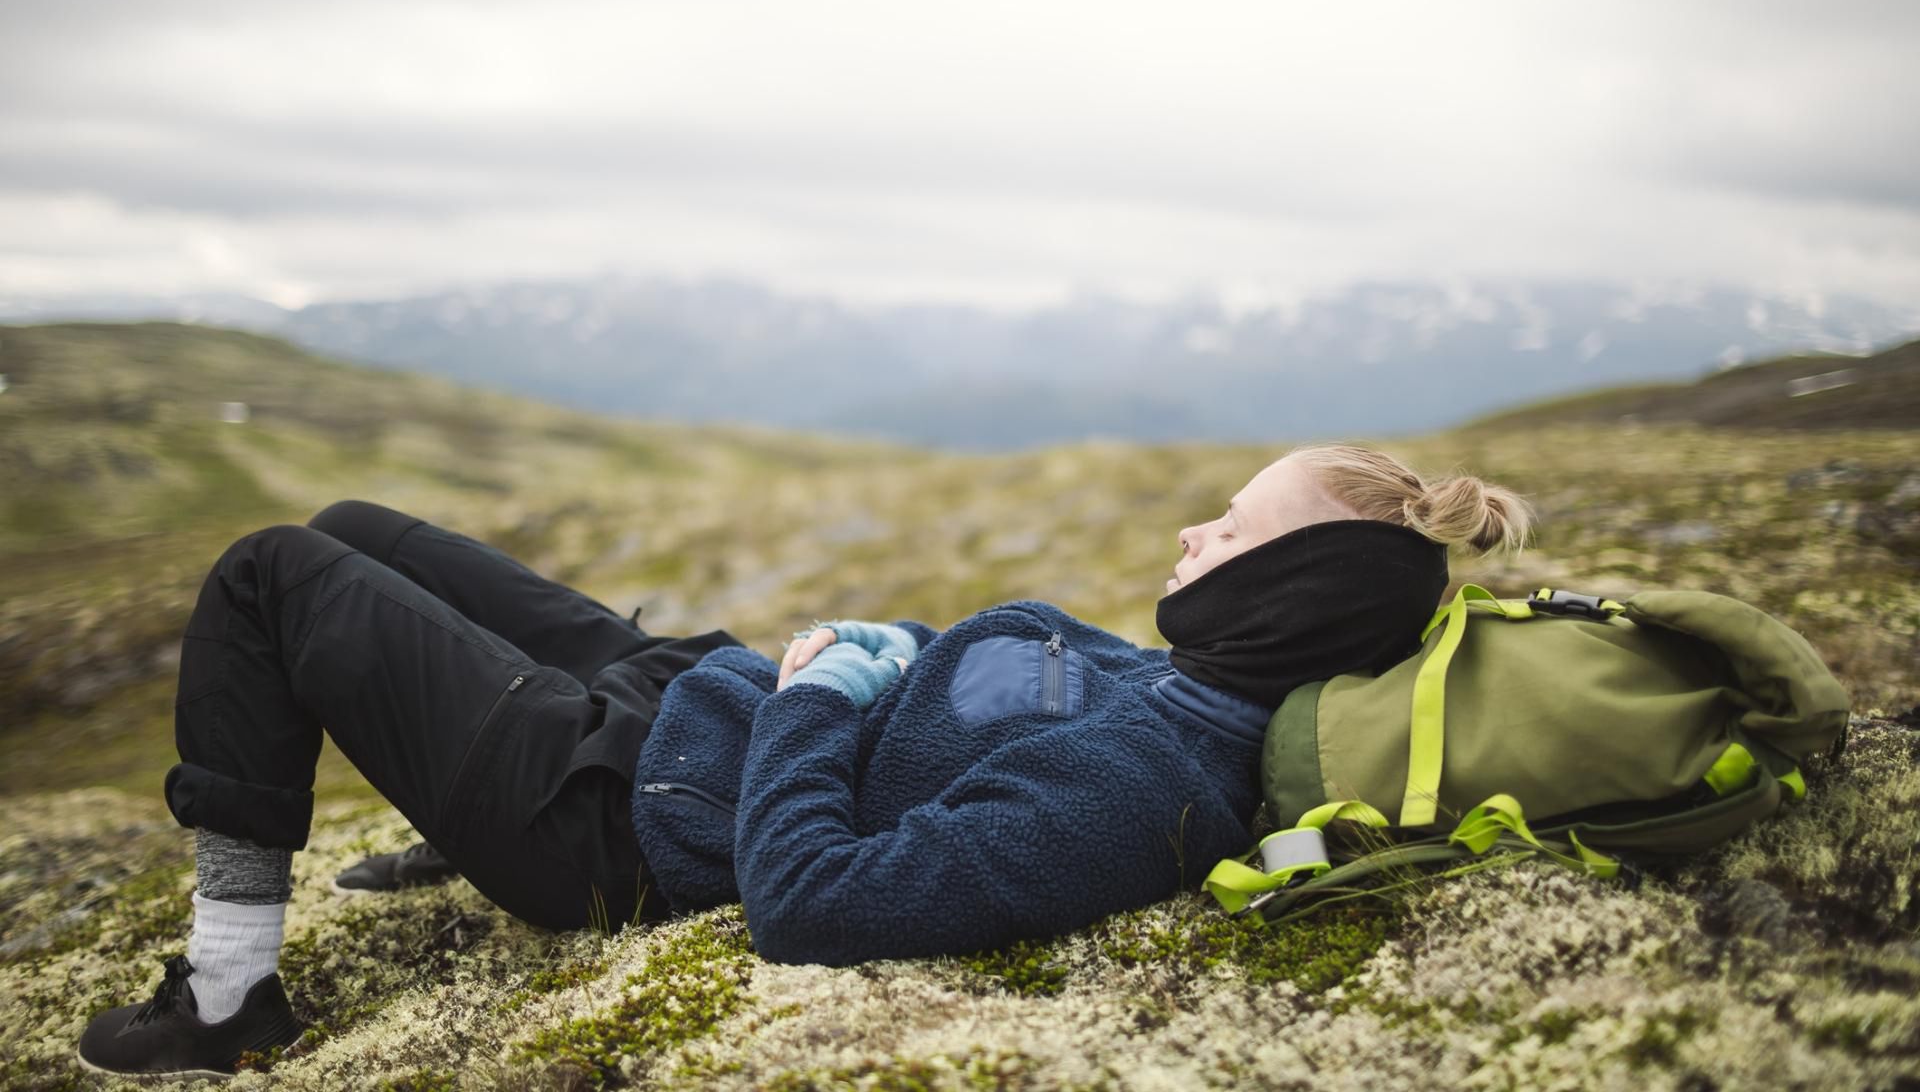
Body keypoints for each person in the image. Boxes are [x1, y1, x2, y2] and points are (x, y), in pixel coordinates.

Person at [77, 443, 1531, 1078]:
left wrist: (826, 691)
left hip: (613, 818)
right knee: (350, 525)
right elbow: (970, 656)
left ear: (1293, 593)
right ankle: (437, 804)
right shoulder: (1182, 677)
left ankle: (224, 997)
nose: (1188, 539)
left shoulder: (1148, 782)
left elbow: (815, 904)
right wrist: (832, 659)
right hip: (687, 701)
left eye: (1228, 531)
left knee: (271, 574)